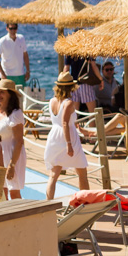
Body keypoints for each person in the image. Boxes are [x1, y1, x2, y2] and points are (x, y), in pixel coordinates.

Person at [43, 72, 90, 200]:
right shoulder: (69, 103)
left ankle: (48, 204)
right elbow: (65, 122)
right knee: (82, 171)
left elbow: (63, 121)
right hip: (68, 137)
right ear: (71, 87)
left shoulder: (52, 101)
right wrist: (69, 145)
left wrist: (79, 128)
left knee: (54, 174)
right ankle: (86, 202)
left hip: (54, 135)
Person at [0, 78, 27, 200]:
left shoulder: (16, 114)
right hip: (0, 156)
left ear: (10, 95)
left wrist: (12, 165)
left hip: (13, 156)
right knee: (2, 193)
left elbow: (19, 141)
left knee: (14, 193)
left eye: (2, 92)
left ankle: (23, 219)